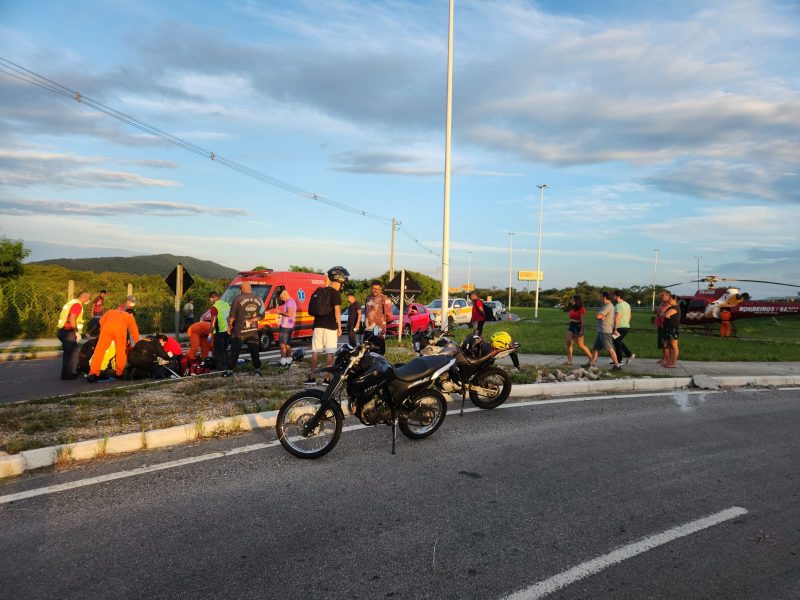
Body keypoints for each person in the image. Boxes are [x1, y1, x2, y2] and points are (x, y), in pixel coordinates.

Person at [306, 266, 347, 386]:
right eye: (342, 283)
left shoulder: (320, 291)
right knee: (330, 353)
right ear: (338, 282)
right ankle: (326, 379)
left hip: (318, 326)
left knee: (315, 352)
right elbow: (337, 311)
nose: (342, 286)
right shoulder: (335, 294)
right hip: (330, 327)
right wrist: (339, 327)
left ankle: (311, 377)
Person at [87, 296, 140, 382]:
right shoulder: (129, 317)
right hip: (120, 331)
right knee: (120, 352)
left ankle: (93, 373)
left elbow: (100, 322)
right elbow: (135, 332)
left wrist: (103, 332)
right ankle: (119, 373)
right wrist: (138, 343)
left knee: (99, 351)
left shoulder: (110, 312)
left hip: (106, 330)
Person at [227, 282, 264, 376]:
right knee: (254, 351)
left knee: (235, 352)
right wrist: (252, 320)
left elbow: (232, 317)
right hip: (252, 330)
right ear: (250, 289)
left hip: (239, 330)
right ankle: (257, 370)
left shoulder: (238, 298)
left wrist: (229, 326)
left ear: (241, 289)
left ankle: (230, 371)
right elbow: (262, 315)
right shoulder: (259, 299)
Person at [56, 290, 91, 380]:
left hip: (62, 330)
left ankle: (65, 374)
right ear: (84, 297)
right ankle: (68, 375)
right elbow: (72, 318)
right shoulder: (77, 305)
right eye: (88, 298)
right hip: (69, 331)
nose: (88, 300)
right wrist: (76, 332)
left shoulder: (71, 302)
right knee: (73, 353)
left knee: (68, 353)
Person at [590, 291, 621, 369]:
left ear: (604, 297)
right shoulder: (604, 305)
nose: (600, 298)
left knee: (609, 348)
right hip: (601, 330)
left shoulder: (608, 306)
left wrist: (600, 316)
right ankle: (591, 364)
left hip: (605, 330)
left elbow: (598, 316)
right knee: (595, 348)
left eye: (601, 296)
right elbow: (599, 316)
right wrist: (600, 316)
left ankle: (617, 365)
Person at [565, 295, 593, 365]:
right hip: (571, 325)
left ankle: (591, 358)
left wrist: (581, 330)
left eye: (573, 300)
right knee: (569, 342)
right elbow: (571, 316)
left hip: (578, 326)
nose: (571, 301)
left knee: (580, 345)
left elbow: (583, 321)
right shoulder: (572, 308)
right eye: (571, 300)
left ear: (577, 301)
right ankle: (569, 361)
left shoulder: (581, 309)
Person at [208, 291, 230, 373]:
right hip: (228, 330)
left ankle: (222, 368)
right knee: (225, 349)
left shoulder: (214, 307)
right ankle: (228, 366)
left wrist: (210, 333)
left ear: (211, 298)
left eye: (210, 299)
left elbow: (213, 321)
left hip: (219, 331)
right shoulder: (226, 304)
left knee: (219, 350)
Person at [611, 290, 635, 365]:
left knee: (616, 341)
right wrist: (626, 323)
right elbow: (630, 316)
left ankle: (619, 360)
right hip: (626, 326)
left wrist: (615, 329)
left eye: (614, 295)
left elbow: (617, 318)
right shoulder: (627, 304)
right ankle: (629, 354)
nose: (613, 297)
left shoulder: (618, 305)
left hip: (619, 327)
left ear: (618, 296)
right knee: (617, 341)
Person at [276, 289, 297, 367]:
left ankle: (283, 360)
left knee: (282, 343)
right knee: (287, 343)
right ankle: (289, 358)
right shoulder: (289, 302)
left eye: (282, 297)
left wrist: (280, 312)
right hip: (289, 325)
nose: (282, 299)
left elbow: (289, 314)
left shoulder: (290, 302)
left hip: (286, 326)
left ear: (285, 295)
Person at [660, 293, 680, 368]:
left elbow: (665, 315)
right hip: (669, 328)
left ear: (674, 299)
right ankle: (669, 362)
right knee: (670, 346)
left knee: (674, 345)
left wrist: (664, 314)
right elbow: (662, 314)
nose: (669, 301)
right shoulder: (672, 307)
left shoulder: (675, 308)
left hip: (673, 329)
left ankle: (673, 363)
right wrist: (664, 314)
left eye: (670, 299)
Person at [655, 290, 671, 366]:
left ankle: (666, 359)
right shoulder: (662, 303)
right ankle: (664, 358)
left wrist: (659, 310)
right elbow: (657, 311)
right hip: (660, 325)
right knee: (662, 343)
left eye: (662, 295)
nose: (661, 297)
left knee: (665, 343)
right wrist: (659, 310)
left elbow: (662, 311)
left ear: (668, 296)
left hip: (666, 325)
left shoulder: (669, 303)